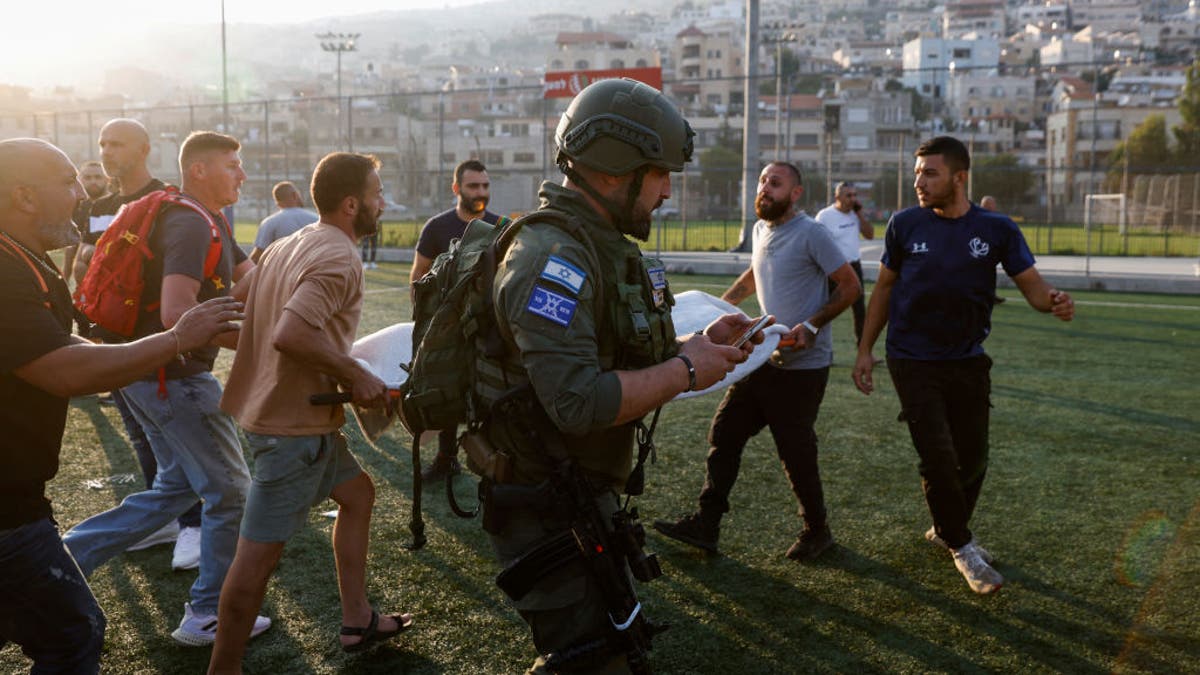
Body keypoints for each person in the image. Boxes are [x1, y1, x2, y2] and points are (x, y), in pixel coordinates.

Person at [474, 78, 757, 673]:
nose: (667, 192)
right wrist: (683, 369)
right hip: (543, 503)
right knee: (590, 661)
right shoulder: (552, 261)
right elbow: (577, 401)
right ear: (612, 168)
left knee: (612, 647)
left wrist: (696, 347)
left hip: (578, 491)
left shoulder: (596, 247)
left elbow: (607, 358)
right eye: (658, 174)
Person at [0, 137, 243, 674]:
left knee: (179, 487)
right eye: (67, 183)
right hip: (6, 511)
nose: (82, 197)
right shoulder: (4, 269)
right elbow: (64, 372)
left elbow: (67, 350)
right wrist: (176, 340)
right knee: (73, 633)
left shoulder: (25, 260)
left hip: (18, 500)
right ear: (23, 196)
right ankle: (208, 611)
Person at [62, 131, 272, 645]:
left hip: (146, 378)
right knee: (231, 493)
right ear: (198, 170)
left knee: (175, 486)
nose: (242, 175)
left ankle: (61, 557)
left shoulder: (208, 217)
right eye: (233, 164)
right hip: (174, 379)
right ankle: (207, 614)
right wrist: (266, 349)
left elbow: (252, 276)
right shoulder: (189, 223)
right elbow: (180, 317)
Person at [209, 152, 413, 672]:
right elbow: (291, 334)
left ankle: (357, 618)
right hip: (290, 429)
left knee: (358, 494)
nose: (383, 203)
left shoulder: (284, 244)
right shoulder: (338, 256)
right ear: (352, 204)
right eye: (377, 194)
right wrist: (356, 373)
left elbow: (237, 307)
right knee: (257, 560)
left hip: (295, 416)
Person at [852, 136, 1075, 594]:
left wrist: (1053, 301)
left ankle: (946, 527)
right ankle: (962, 546)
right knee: (938, 455)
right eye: (916, 172)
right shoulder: (904, 224)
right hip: (911, 358)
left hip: (968, 359)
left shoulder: (997, 228)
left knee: (973, 458)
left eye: (929, 173)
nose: (919, 181)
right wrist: (864, 349)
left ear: (959, 177)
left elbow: (1032, 287)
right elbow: (883, 291)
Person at [654, 162, 861, 562]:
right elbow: (754, 275)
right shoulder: (761, 229)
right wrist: (718, 308)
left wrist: (812, 326)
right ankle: (706, 524)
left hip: (802, 367)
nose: (765, 188)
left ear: (795, 193)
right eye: (763, 181)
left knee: (795, 451)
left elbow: (850, 286)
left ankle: (817, 531)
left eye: (775, 183)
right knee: (725, 434)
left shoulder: (811, 233)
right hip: (761, 357)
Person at [86, 119, 209, 568]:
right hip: (110, 342)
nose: (106, 151)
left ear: (143, 149)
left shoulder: (167, 201)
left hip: (157, 343)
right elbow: (89, 263)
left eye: (116, 143)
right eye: (102, 143)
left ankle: (194, 525)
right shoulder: (97, 207)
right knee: (142, 438)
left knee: (180, 441)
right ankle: (170, 520)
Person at [410, 159, 504, 482]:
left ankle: (494, 463)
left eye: (485, 186)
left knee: (492, 394)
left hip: (487, 329)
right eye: (473, 186)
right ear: (456, 189)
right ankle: (446, 458)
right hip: (448, 330)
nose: (481, 192)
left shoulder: (501, 227)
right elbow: (419, 276)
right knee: (447, 390)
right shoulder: (437, 227)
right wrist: (426, 327)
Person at [815, 181, 874, 344]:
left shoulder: (855, 214)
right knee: (824, 310)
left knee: (860, 310)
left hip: (854, 266)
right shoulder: (825, 216)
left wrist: (860, 214)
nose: (853, 199)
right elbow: (817, 244)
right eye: (849, 195)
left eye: (855, 195)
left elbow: (870, 235)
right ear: (837, 196)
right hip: (833, 269)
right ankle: (821, 349)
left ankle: (863, 350)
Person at [61, 159, 108, 289]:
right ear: (80, 180)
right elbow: (71, 246)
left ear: (107, 179)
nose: (93, 181)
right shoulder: (76, 208)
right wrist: (65, 279)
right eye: (88, 177)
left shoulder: (116, 206)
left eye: (98, 177)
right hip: (83, 281)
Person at [248, 181, 317, 263]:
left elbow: (256, 257)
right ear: (294, 195)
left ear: (277, 202)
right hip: (310, 271)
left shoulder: (269, 222)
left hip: (280, 273)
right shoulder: (316, 219)